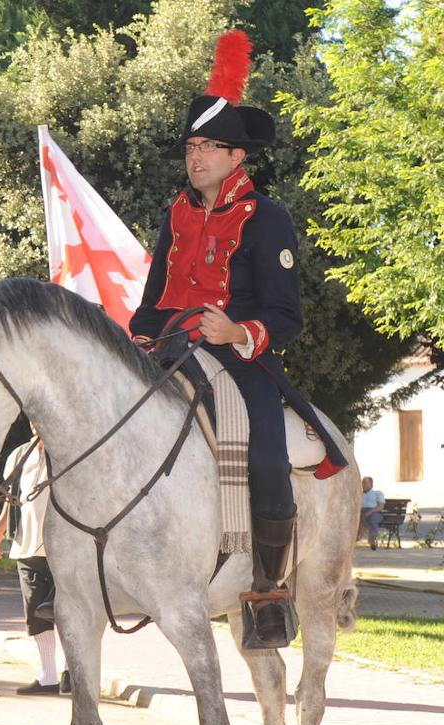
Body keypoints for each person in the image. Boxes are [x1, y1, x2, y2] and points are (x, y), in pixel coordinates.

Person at [128, 31, 345, 648]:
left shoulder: (268, 218)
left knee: (268, 456)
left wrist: (237, 331)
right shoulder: (176, 213)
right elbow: (152, 299)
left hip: (239, 357)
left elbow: (287, 316)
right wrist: (133, 338)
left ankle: (269, 591)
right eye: (191, 146)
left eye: (209, 147)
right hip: (169, 349)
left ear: (236, 157)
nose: (195, 157)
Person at [0, 439, 69, 695]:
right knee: (35, 613)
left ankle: (72, 672)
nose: (36, 423)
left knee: (69, 614)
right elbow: (12, 500)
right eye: (31, 418)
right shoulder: (19, 455)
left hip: (65, 549)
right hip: (26, 546)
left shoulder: (66, 446)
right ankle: (47, 677)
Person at [360, 476, 386, 551]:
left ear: (371, 484)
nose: (363, 485)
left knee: (373, 519)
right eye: (362, 483)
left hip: (375, 511)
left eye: (365, 483)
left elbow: (380, 506)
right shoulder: (360, 494)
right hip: (361, 511)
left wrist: (369, 512)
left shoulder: (377, 493)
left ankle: (373, 540)